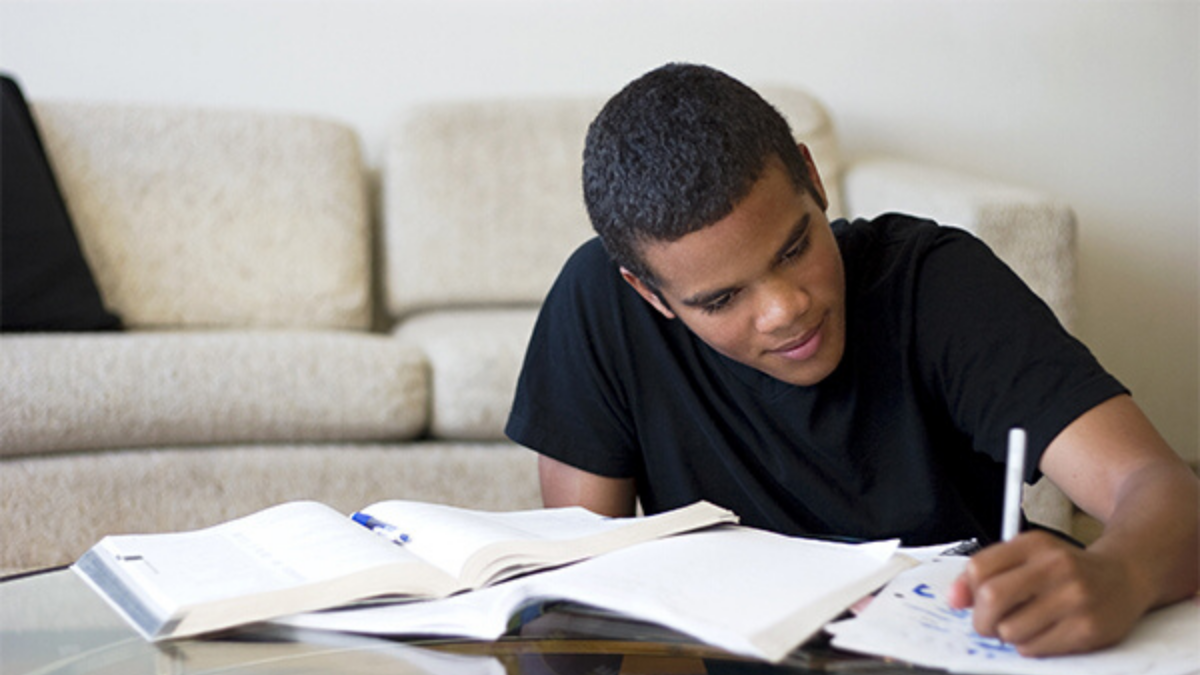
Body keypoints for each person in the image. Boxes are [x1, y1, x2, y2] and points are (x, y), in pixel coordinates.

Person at [504, 63, 1198, 657]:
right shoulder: (598, 303)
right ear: (649, 293)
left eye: (794, 247)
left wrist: (1122, 573)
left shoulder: (936, 283)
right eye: (721, 299)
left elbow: (1163, 490)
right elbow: (580, 595)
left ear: (812, 177)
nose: (785, 309)